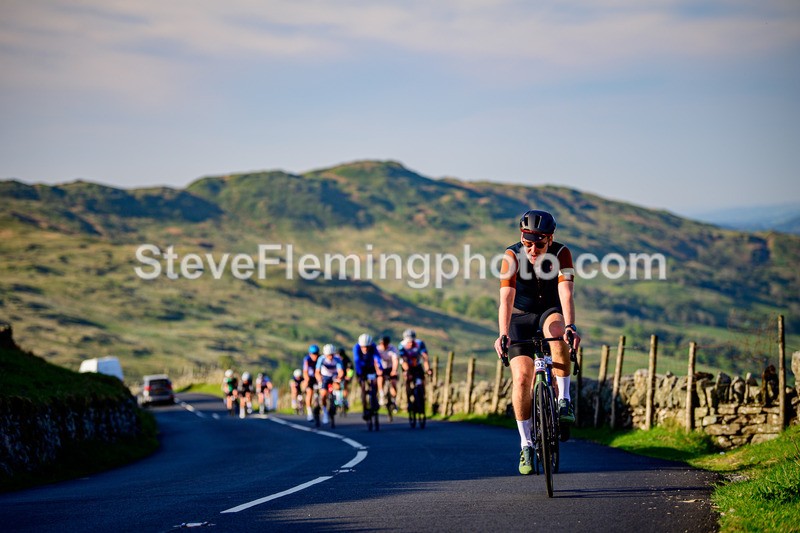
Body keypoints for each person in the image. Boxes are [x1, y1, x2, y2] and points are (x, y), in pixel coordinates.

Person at [493, 209, 581, 475]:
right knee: (522, 379)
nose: (532, 249)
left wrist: (570, 326)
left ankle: (564, 399)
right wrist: (503, 332)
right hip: (520, 316)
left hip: (548, 311)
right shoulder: (512, 256)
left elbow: (566, 291)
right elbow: (506, 297)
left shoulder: (561, 253)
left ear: (550, 239)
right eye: (526, 241)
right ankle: (526, 444)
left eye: (539, 243)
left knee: (557, 330)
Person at [353, 333, 384, 419]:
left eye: (367, 347)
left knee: (374, 384)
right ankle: (365, 408)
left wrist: (380, 368)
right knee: (363, 387)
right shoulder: (356, 348)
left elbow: (377, 358)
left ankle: (375, 399)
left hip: (371, 368)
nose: (365, 349)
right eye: (363, 347)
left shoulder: (373, 346)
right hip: (361, 369)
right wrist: (360, 373)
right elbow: (357, 360)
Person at [398, 332, 432, 411]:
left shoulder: (420, 343)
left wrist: (428, 369)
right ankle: (409, 400)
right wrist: (407, 371)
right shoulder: (402, 345)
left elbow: (425, 357)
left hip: (417, 365)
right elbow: (403, 359)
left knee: (422, 380)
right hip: (406, 364)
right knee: (407, 379)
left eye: (412, 341)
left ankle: (422, 396)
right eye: (408, 342)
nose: (410, 343)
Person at [315, 344, 345, 425]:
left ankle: (338, 401)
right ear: (325, 354)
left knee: (337, 386)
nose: (330, 357)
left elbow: (341, 371)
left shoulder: (337, 359)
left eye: (332, 355)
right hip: (324, 376)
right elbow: (317, 372)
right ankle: (325, 412)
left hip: (334, 376)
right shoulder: (321, 359)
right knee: (323, 395)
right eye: (328, 355)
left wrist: (339, 378)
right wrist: (319, 380)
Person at [376, 335, 400, 411]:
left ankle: (394, 400)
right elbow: (375, 361)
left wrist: (394, 370)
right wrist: (378, 370)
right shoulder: (377, 349)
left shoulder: (392, 349)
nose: (383, 345)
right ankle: (381, 394)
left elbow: (395, 360)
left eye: (384, 344)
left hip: (391, 368)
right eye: (381, 344)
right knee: (380, 378)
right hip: (381, 368)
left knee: (393, 383)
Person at [302, 344, 321, 421]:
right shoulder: (307, 360)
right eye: (313, 354)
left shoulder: (320, 358)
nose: (315, 356)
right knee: (309, 392)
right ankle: (309, 412)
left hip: (318, 377)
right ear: (310, 354)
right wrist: (306, 380)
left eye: (316, 354)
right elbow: (305, 372)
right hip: (310, 378)